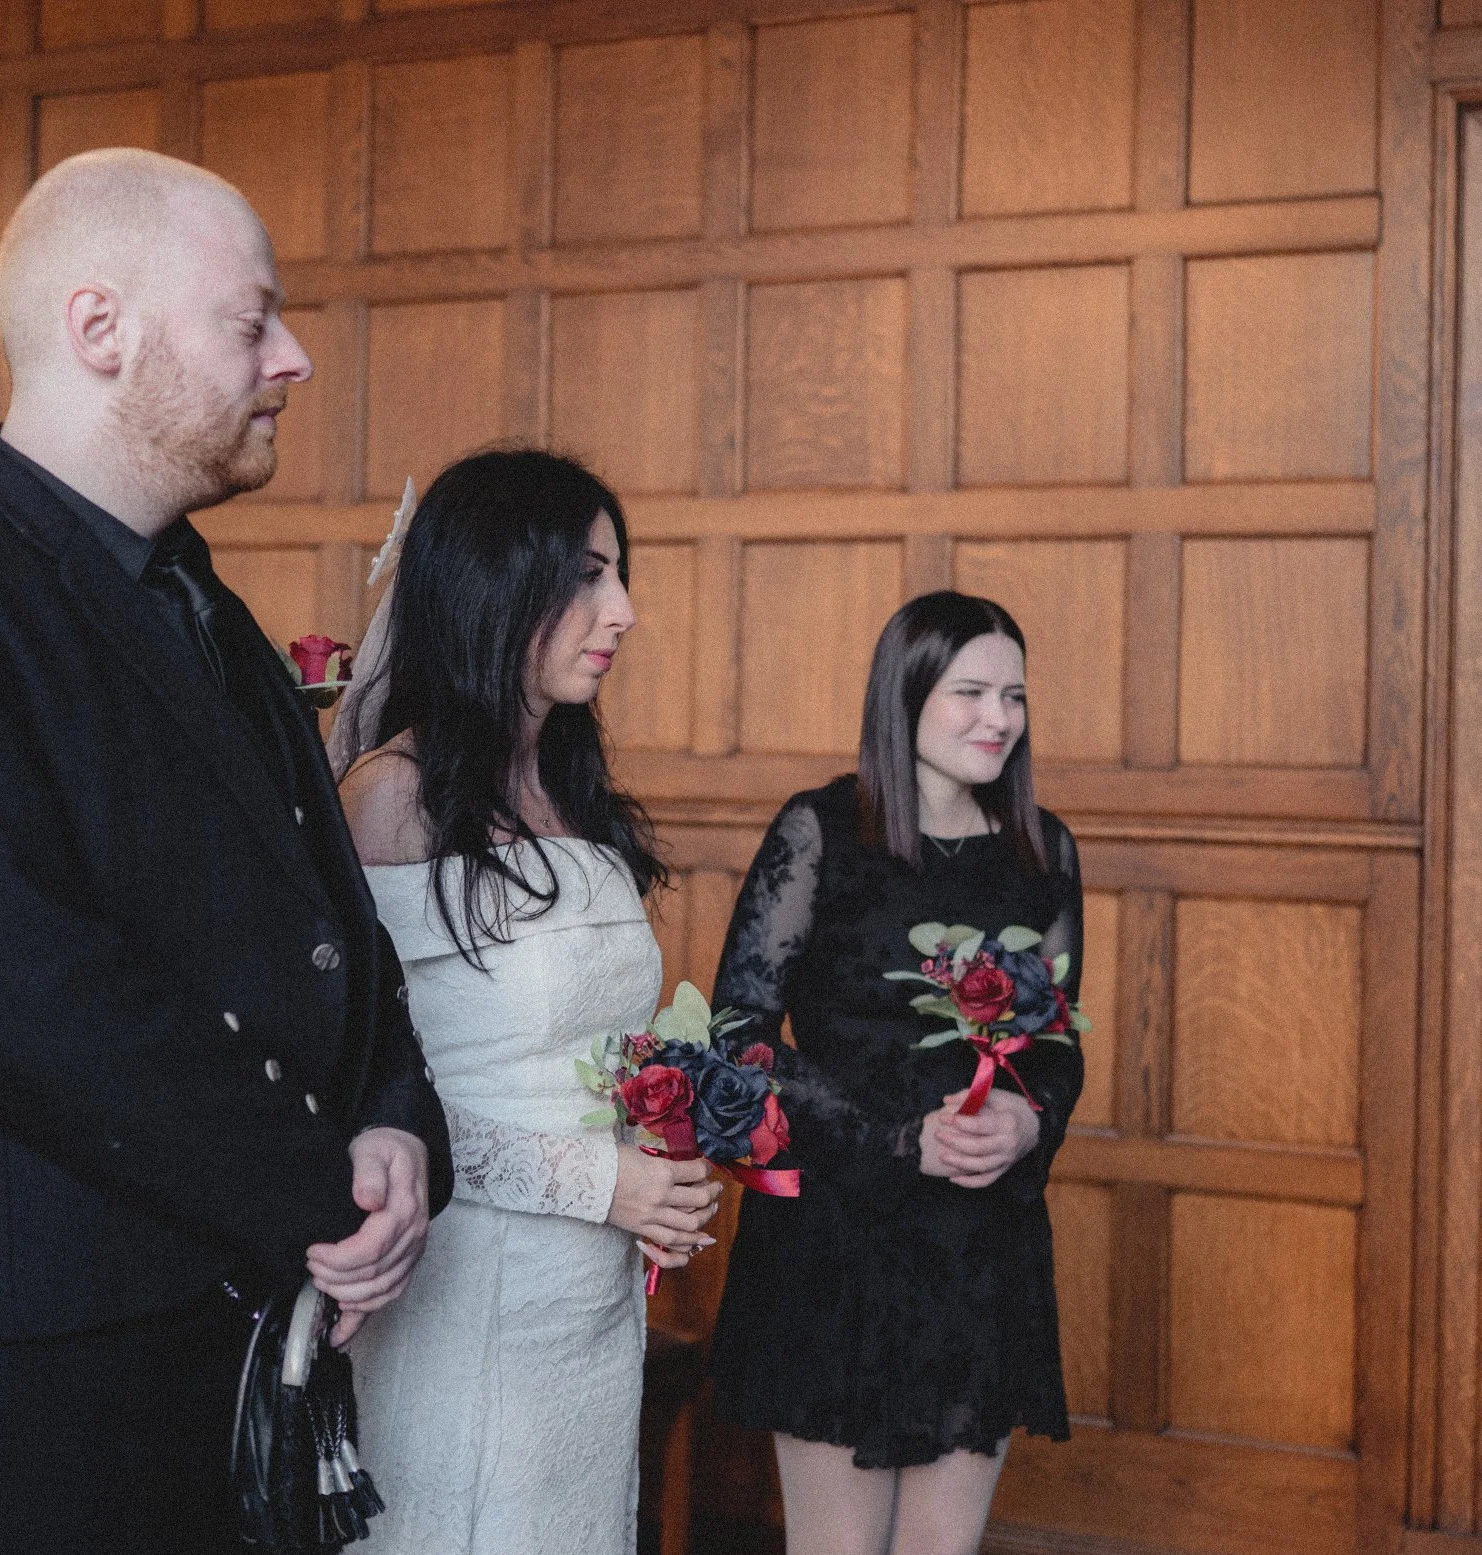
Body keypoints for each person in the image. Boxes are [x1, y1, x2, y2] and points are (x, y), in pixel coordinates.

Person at [0, 148, 453, 1555]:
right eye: (250, 319)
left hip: (219, 1331)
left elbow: (333, 919)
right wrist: (319, 1179)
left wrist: (398, 1114)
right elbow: (20, 980)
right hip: (23, 1372)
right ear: (100, 331)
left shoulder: (200, 600)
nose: (295, 357)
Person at [332, 448, 720, 1553]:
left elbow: (585, 1045)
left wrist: (667, 1140)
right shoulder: (390, 798)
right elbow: (368, 1085)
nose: (624, 612)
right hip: (461, 1288)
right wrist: (601, 1179)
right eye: (588, 577)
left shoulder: (571, 788)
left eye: (619, 576)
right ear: (494, 587)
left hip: (587, 1299)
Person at [704, 590, 1084, 1555]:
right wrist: (896, 1140)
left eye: (1014, 695)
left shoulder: (1045, 846)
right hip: (834, 1241)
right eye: (971, 692)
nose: (999, 718)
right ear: (904, 695)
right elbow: (738, 1032)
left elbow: (1057, 1041)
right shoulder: (822, 829)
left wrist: (1031, 1121)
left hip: (979, 1248)